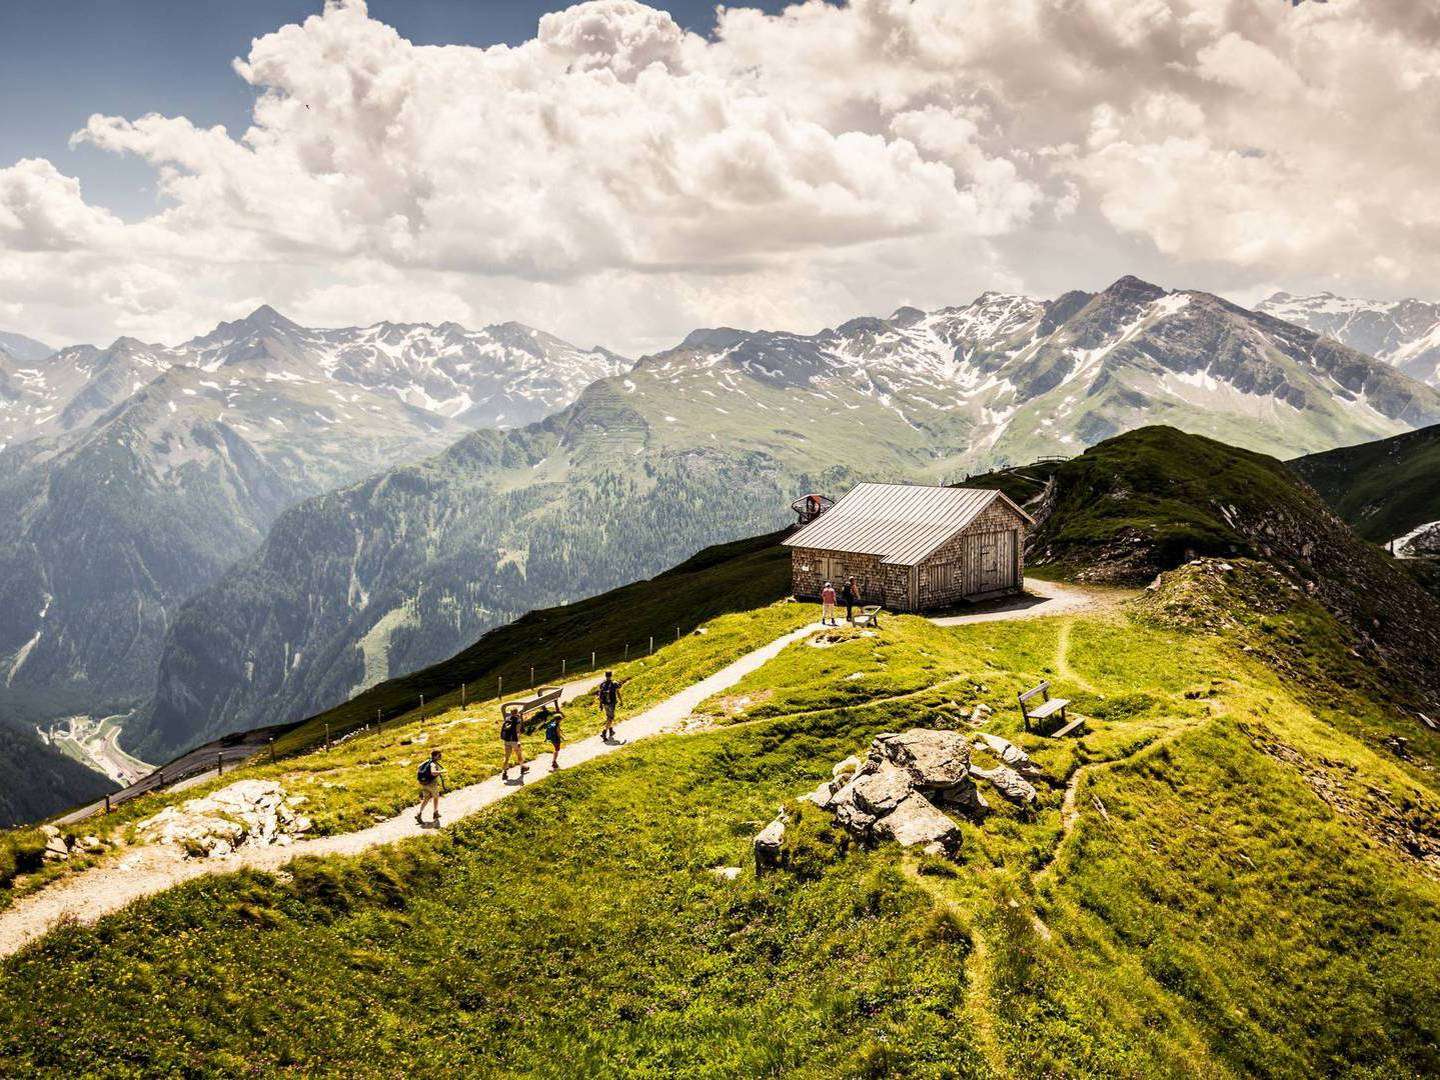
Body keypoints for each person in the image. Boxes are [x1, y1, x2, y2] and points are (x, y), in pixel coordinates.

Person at [415, 749, 444, 826]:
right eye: (439, 755)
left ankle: (419, 813)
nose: (440, 756)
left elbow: (419, 767)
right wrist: (442, 771)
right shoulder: (433, 764)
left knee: (426, 798)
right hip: (431, 783)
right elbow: (433, 773)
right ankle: (435, 813)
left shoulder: (427, 762)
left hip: (424, 783)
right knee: (436, 797)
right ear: (435, 756)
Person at [500, 707, 527, 781]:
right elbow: (517, 732)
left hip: (506, 740)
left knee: (506, 757)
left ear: (511, 713)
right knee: (519, 754)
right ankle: (522, 767)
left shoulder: (507, 719)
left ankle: (504, 773)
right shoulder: (518, 720)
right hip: (514, 740)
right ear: (517, 712)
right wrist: (518, 741)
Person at [597, 671, 622, 741]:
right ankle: (604, 732)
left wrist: (600, 705)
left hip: (605, 703)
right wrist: (621, 701)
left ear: (605, 676)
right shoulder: (614, 683)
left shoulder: (602, 684)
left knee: (608, 717)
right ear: (611, 675)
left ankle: (611, 730)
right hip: (612, 703)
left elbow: (600, 695)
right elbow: (618, 693)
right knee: (611, 718)